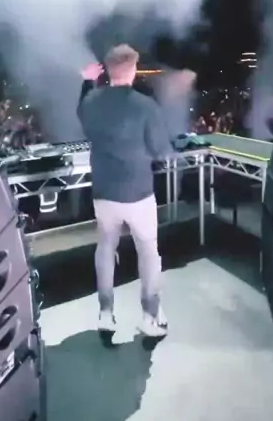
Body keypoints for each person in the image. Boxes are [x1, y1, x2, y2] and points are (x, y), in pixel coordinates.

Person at [77, 44, 191, 338]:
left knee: (106, 248)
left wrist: (87, 81)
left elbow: (83, 115)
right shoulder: (145, 106)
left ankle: (105, 314)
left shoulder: (92, 101)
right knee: (148, 252)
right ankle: (150, 316)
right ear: (134, 69)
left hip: (104, 193)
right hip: (138, 193)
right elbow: (160, 150)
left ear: (108, 70)